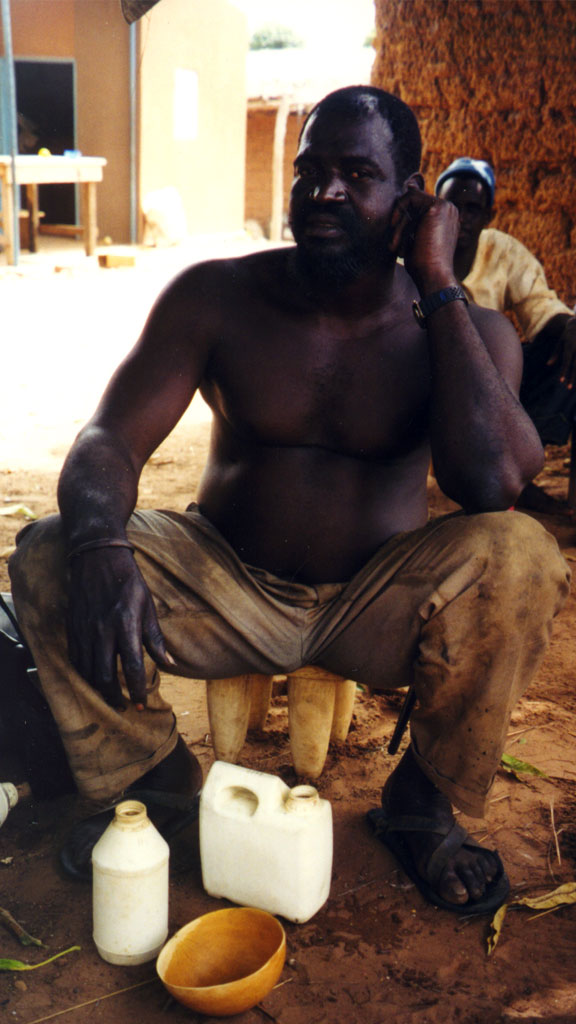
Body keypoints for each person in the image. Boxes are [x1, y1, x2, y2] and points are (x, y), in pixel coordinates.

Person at [9, 87, 570, 915]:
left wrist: (438, 278)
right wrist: (102, 546)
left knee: (523, 556)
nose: (325, 191)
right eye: (311, 171)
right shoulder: (217, 298)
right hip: (221, 580)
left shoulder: (466, 329)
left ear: (410, 198)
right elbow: (108, 441)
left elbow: (492, 483)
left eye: (356, 173)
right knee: (53, 550)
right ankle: (154, 779)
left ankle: (421, 803)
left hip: (377, 603)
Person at [435, 157, 576, 509]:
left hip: (492, 386)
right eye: (453, 206)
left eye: (473, 209)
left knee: (564, 345)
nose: (462, 218)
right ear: (438, 208)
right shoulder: (417, 251)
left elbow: (540, 308)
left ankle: (515, 471)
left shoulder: (502, 251)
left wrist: (571, 326)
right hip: (429, 381)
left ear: (489, 216)